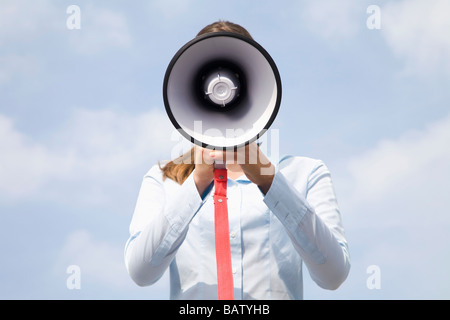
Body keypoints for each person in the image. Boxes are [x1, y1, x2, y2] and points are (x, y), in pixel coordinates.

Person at [124, 21, 350, 300]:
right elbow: (140, 273)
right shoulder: (164, 180)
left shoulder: (305, 173)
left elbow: (333, 275)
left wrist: (269, 180)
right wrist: (197, 182)